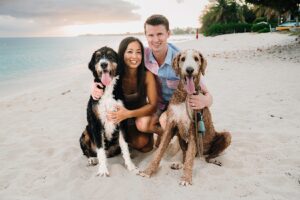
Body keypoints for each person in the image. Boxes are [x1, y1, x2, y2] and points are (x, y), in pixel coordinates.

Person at [92, 14, 213, 150]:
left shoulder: (180, 59)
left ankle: (179, 138)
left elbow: (206, 93)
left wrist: (206, 100)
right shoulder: (143, 55)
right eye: (150, 35)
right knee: (142, 124)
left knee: (164, 121)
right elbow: (115, 64)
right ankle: (167, 134)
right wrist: (96, 85)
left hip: (179, 106)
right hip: (159, 107)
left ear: (168, 34)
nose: (155, 39)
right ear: (146, 36)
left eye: (160, 34)